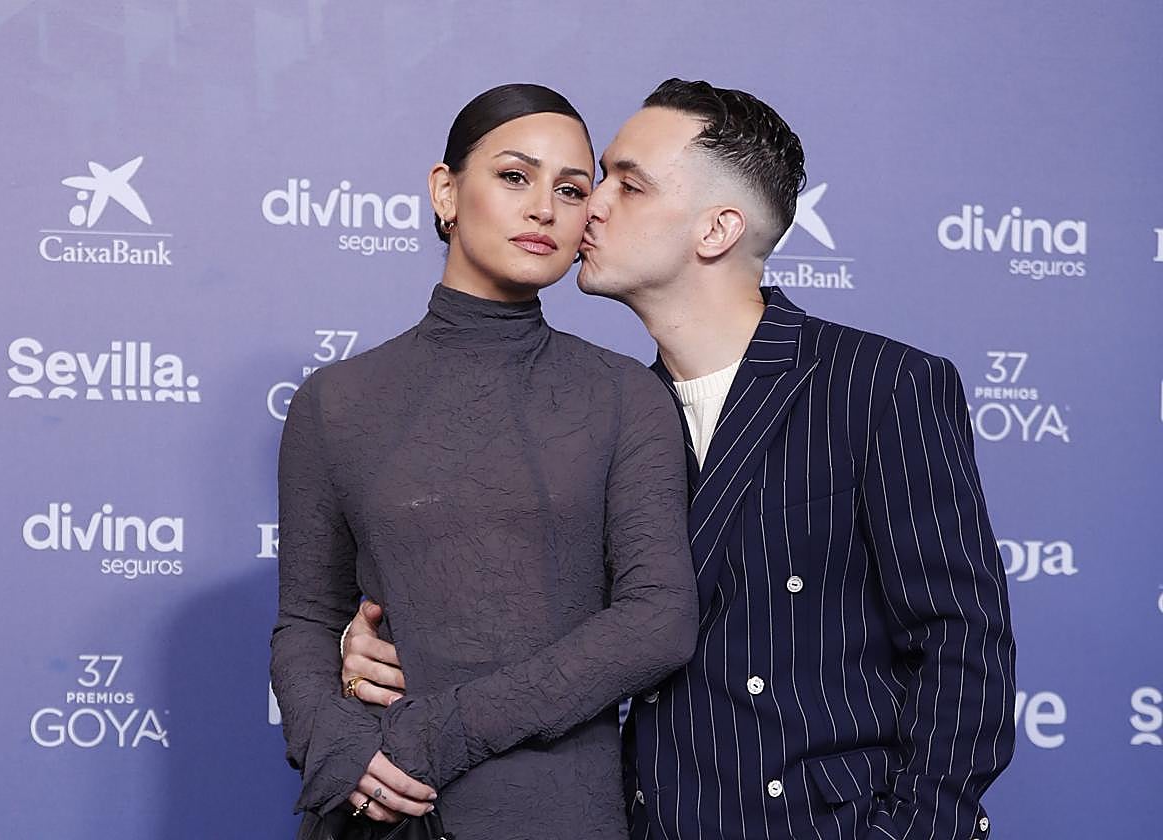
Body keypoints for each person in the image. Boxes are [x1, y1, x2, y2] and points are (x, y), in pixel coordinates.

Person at [343, 79, 1016, 840]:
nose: (589, 205)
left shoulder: (878, 385)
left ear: (716, 230)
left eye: (627, 185)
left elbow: (962, 645)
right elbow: (537, 625)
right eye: (599, 179)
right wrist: (368, 646)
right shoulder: (606, 412)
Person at [271, 83, 698, 840]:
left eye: (571, 190)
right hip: (379, 807)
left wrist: (435, 735)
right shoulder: (336, 400)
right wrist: (335, 746)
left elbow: (657, 620)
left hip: (553, 811)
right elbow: (308, 618)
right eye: (514, 176)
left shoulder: (624, 395)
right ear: (446, 191)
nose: (543, 209)